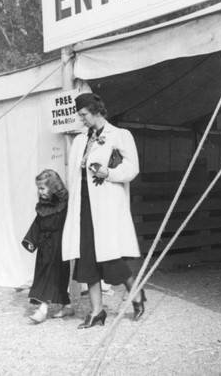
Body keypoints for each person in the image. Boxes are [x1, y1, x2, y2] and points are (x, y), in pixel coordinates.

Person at [62, 93, 146, 329]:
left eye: (84, 115)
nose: (82, 120)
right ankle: (97, 312)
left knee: (111, 257)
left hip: (107, 206)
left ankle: (137, 295)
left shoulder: (120, 135)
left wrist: (109, 173)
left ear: (96, 110)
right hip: (83, 206)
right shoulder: (79, 141)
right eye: (80, 116)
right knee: (87, 259)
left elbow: (132, 168)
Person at [22, 169, 73, 323]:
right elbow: (38, 223)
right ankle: (67, 306)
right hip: (45, 246)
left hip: (59, 245)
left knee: (53, 275)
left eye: (42, 188)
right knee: (46, 274)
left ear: (53, 186)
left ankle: (42, 310)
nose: (39, 191)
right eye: (38, 188)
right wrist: (31, 240)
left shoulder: (64, 203)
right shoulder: (43, 205)